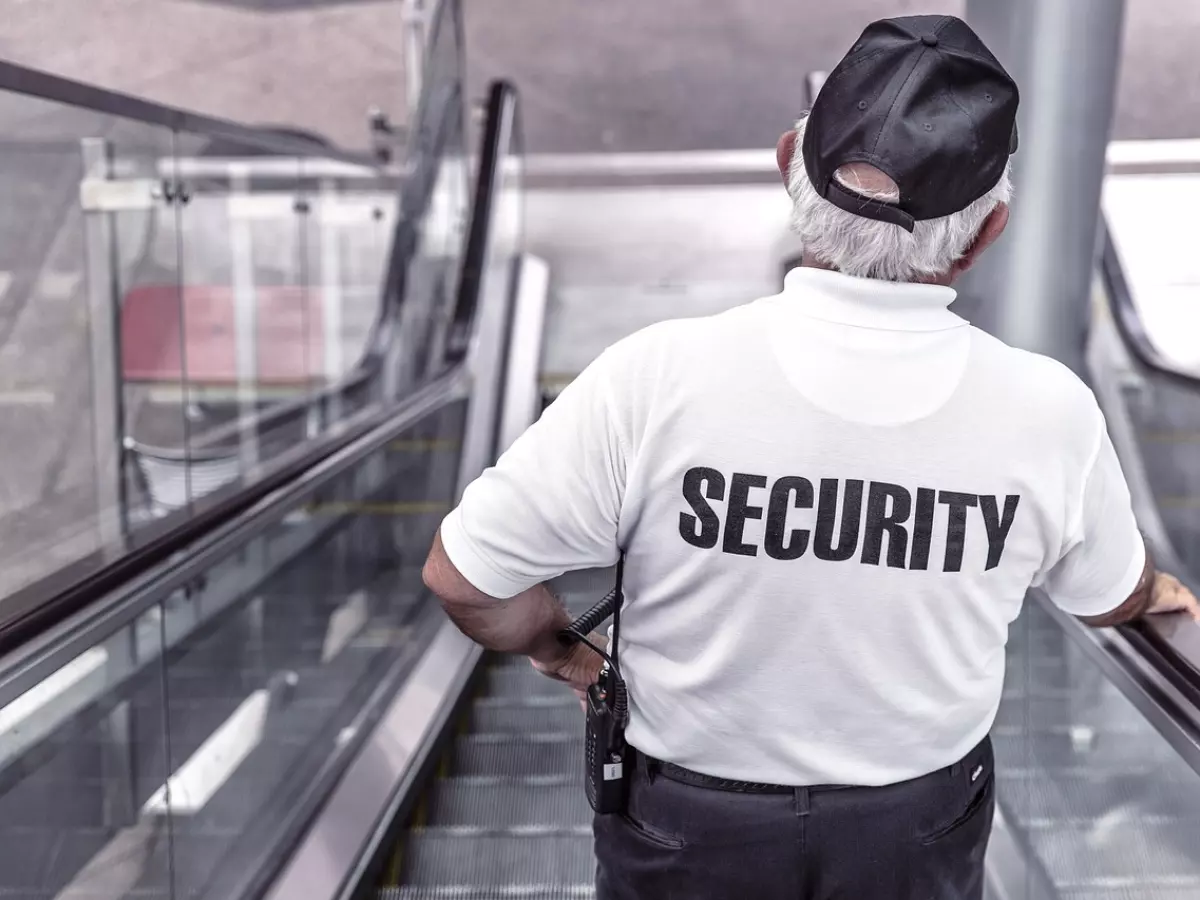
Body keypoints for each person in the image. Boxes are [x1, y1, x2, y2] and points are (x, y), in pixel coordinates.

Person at [422, 13, 1200, 900]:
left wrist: (561, 649)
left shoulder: (657, 375)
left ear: (790, 159)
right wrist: (1158, 595)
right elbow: (1107, 596)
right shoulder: (1047, 412)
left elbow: (463, 578)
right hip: (915, 826)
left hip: (686, 822)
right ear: (988, 232)